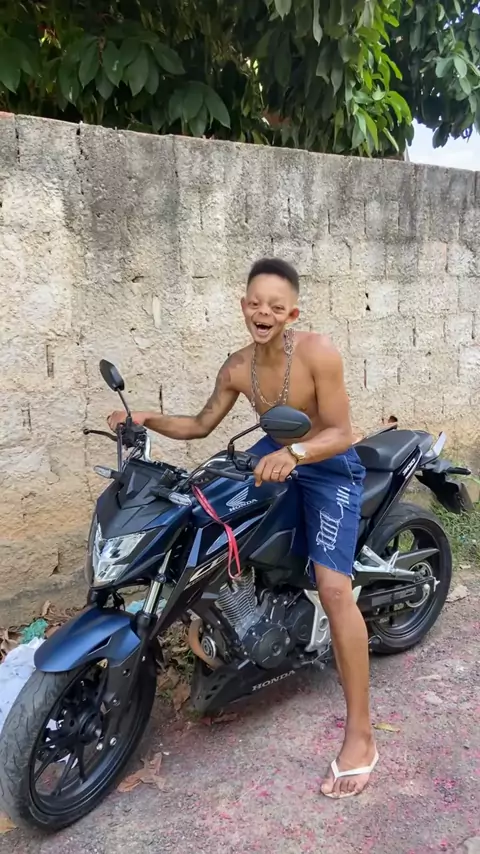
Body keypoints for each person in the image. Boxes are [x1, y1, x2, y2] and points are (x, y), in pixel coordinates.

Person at [107, 257, 377, 798]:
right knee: (207, 513)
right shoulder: (236, 367)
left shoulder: (318, 353)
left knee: (333, 589)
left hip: (327, 465)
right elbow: (200, 424)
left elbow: (343, 432)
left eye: (276, 306)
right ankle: (243, 617)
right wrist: (145, 420)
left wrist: (296, 454)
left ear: (291, 313)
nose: (264, 313)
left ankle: (362, 737)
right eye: (255, 303)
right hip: (273, 454)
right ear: (243, 306)